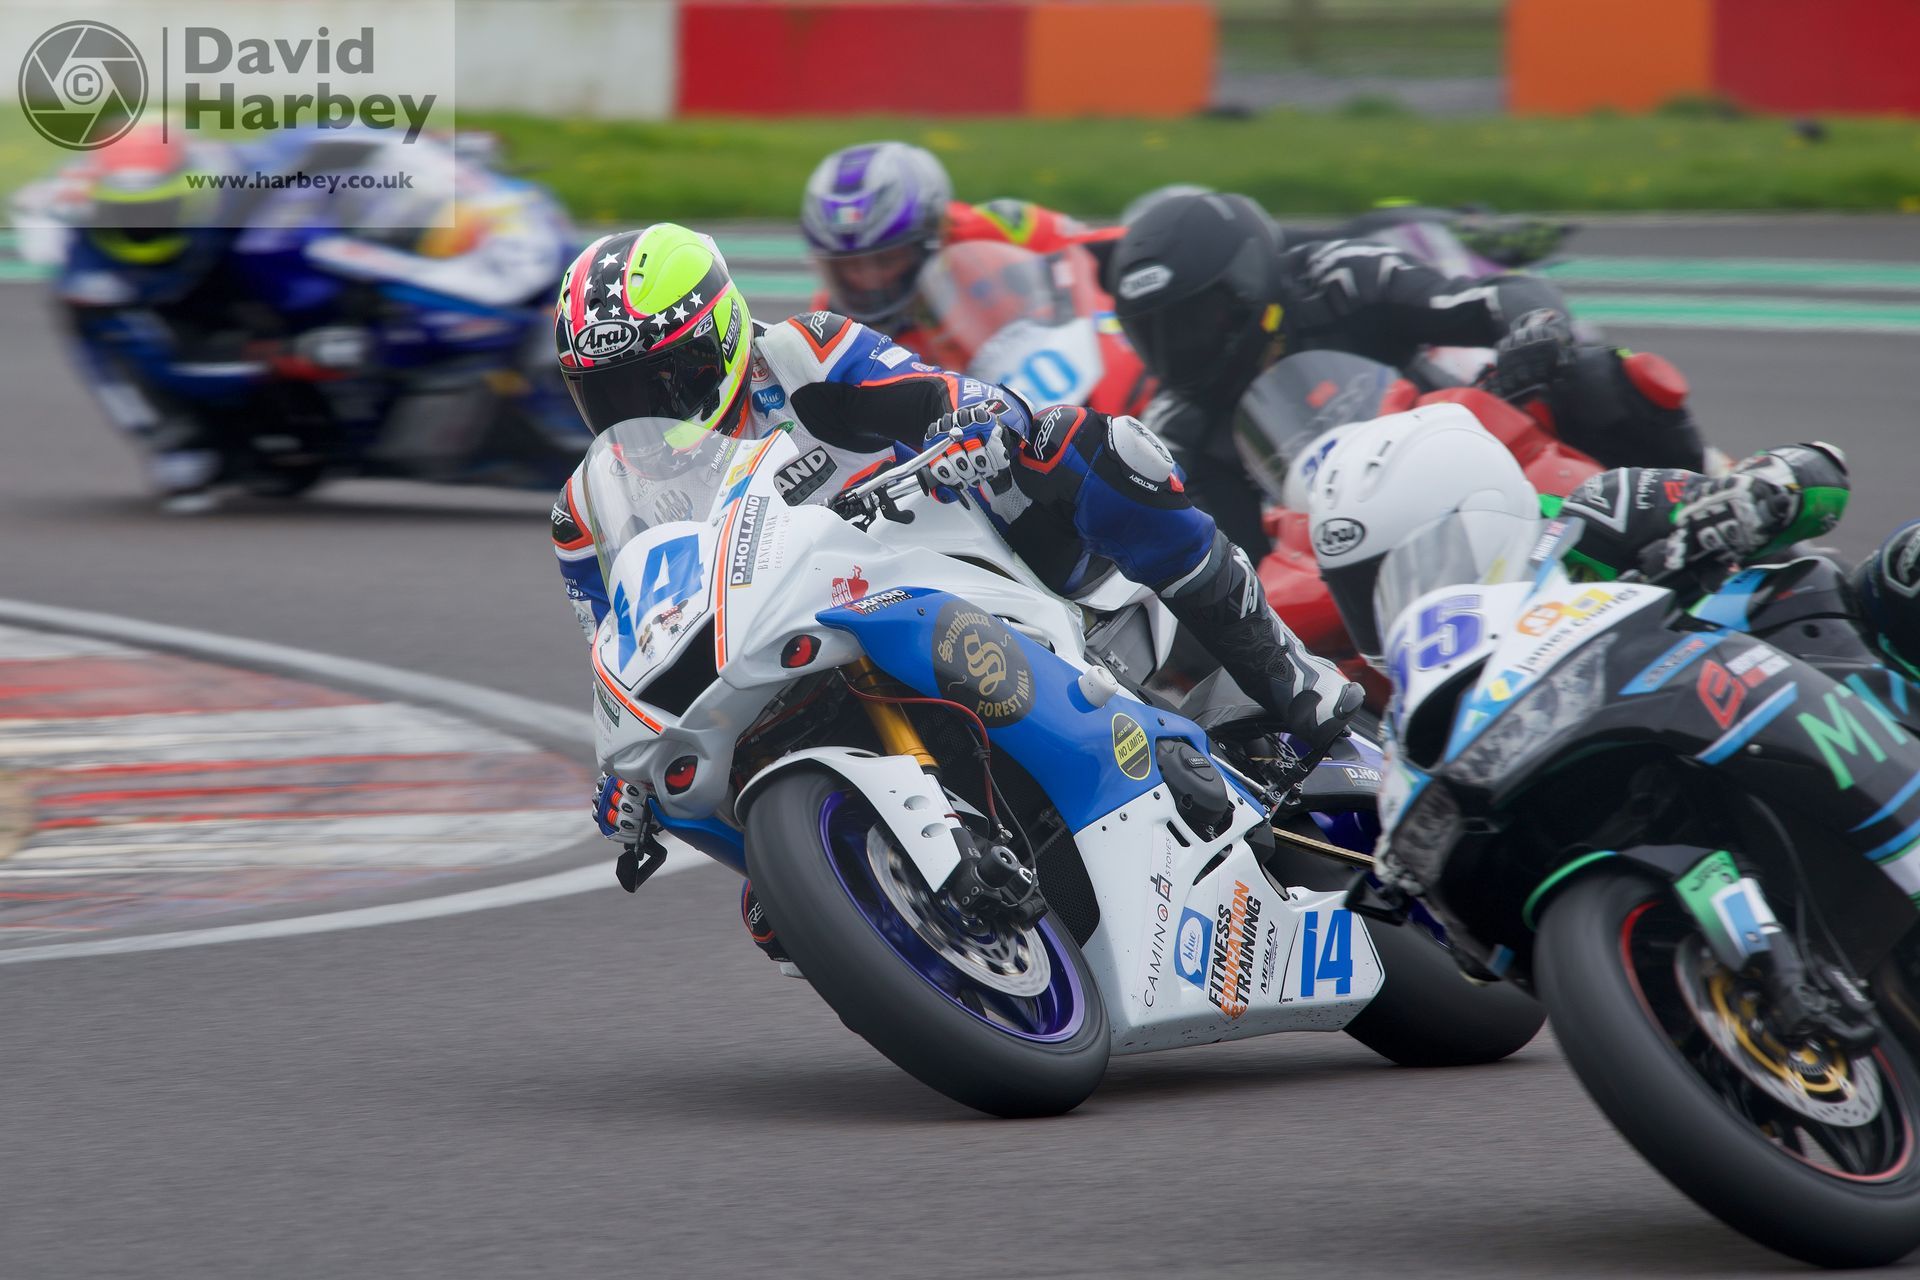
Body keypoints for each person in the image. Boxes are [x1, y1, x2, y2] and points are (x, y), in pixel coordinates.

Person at [551, 223, 1365, 957]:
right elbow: (618, 645)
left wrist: (971, 424)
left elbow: (940, 393)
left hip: (939, 555)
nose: (645, 413)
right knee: (695, 808)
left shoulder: (804, 353)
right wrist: (624, 772)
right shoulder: (585, 514)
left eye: (665, 382)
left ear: (725, 336)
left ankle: (1286, 676)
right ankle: (836, 880)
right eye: (611, 395)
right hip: (768, 647)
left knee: (1083, 445)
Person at [1109, 191, 1705, 558]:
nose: (1176, 348)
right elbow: (1236, 567)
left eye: (1192, 321)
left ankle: (1701, 509)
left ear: (1244, 287)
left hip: (1471, 445)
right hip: (1341, 546)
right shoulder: (1176, 429)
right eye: (1153, 332)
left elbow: (1500, 297)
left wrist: (1537, 328)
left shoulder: (1336, 278)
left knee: (1605, 374)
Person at [56, 126, 573, 509]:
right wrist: (280, 358)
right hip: (211, 352)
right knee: (179, 415)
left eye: (160, 212)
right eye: (131, 218)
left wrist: (436, 147)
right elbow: (171, 364)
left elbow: (342, 135)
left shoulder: (240, 174)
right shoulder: (97, 277)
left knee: (353, 252)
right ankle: (180, 444)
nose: (146, 226)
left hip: (269, 311)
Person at [798, 141, 1122, 340]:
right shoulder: (831, 319)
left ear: (933, 234)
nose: (869, 280)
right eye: (849, 267)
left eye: (884, 260)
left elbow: (1110, 246)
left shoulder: (1000, 225)